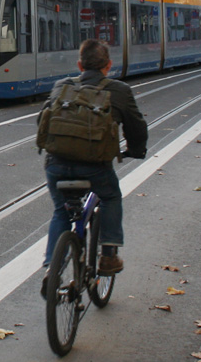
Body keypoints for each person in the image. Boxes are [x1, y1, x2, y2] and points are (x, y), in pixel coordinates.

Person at [42, 39, 148, 278]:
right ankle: (109, 256)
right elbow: (137, 127)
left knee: (61, 211)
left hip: (56, 165)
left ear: (80, 65)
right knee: (111, 196)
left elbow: (44, 121)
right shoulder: (119, 90)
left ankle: (52, 269)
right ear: (108, 65)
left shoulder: (62, 85)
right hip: (95, 168)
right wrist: (136, 150)